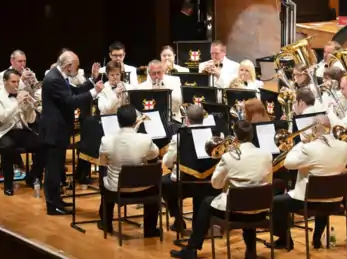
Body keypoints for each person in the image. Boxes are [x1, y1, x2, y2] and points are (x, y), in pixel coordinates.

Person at [170, 120, 272, 259]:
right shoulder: (266, 154)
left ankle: (192, 248)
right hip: (261, 210)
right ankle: (251, 252)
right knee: (249, 196)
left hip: (235, 212)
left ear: (235, 136)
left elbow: (216, 185)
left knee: (207, 203)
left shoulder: (228, 157)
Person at [266, 115, 347, 249]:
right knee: (323, 195)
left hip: (308, 202)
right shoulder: (344, 146)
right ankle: (316, 239)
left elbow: (288, 164)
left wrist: (300, 144)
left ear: (314, 129)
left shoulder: (308, 148)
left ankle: (284, 239)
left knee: (277, 202)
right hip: (334, 200)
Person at [40, 50, 103, 215]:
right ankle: (52, 205)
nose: (77, 69)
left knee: (57, 166)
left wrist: (91, 81)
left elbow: (73, 91)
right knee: (53, 169)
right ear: (68, 66)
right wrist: (94, 92)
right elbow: (70, 101)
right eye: (76, 66)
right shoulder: (54, 79)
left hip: (59, 129)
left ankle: (56, 200)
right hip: (54, 130)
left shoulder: (58, 76)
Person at [97, 104, 160, 237]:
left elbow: (103, 162)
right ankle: (150, 229)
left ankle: (106, 222)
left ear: (118, 121)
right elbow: (154, 155)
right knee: (155, 184)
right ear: (135, 120)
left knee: (104, 176)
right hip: (143, 188)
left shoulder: (106, 139)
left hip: (116, 188)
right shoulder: (145, 138)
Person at [162, 105, 220, 232]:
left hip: (184, 184)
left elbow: (167, 161)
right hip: (209, 184)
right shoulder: (216, 135)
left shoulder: (179, 136)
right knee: (200, 190)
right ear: (203, 118)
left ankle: (178, 220)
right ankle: (201, 225)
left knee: (163, 183)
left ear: (187, 119)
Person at [0, 69, 46, 196]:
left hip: (21, 131)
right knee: (7, 147)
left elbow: (30, 120)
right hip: (4, 132)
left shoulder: (21, 94)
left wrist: (30, 107)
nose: (16, 85)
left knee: (42, 144)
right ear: (4, 82)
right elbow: (1, 119)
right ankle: (8, 184)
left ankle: (32, 176)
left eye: (17, 82)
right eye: (13, 82)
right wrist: (17, 105)